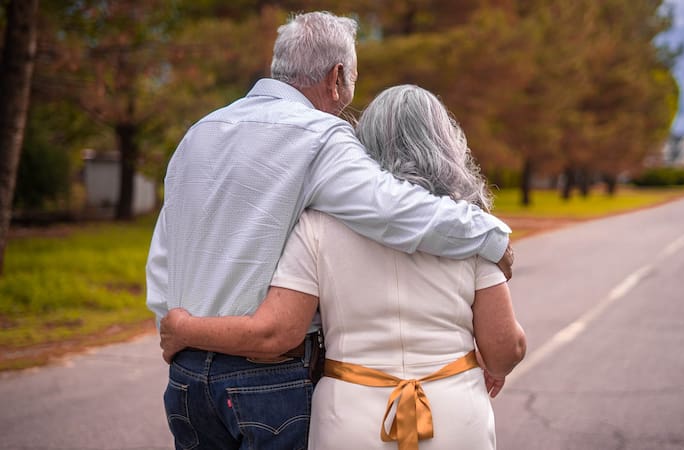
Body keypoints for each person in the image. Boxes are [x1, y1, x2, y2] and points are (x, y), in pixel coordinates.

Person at [145, 11, 514, 450]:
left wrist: (175, 329)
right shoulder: (322, 136)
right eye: (352, 82)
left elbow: (165, 251)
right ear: (337, 77)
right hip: (267, 379)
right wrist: (492, 236)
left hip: (187, 377)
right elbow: (395, 211)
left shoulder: (200, 133)